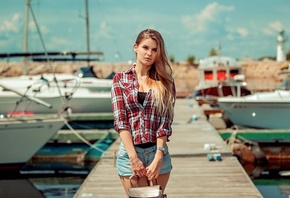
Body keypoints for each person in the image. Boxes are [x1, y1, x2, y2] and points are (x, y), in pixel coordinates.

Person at [111, 28, 176, 196]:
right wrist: (134, 158)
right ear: (136, 47)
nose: (149, 54)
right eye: (145, 48)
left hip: (158, 153)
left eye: (155, 50)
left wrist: (158, 157)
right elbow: (121, 121)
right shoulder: (120, 80)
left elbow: (165, 123)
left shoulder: (165, 81)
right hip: (130, 154)